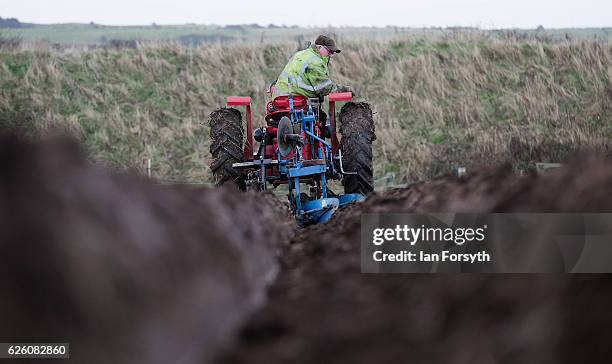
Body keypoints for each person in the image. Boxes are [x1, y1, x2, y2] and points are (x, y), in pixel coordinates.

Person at [272, 35, 353, 99]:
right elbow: (324, 88)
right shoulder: (315, 62)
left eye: (333, 52)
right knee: (320, 117)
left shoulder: (301, 53)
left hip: (278, 97)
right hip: (293, 99)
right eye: (329, 51)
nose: (330, 55)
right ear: (319, 47)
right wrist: (345, 89)